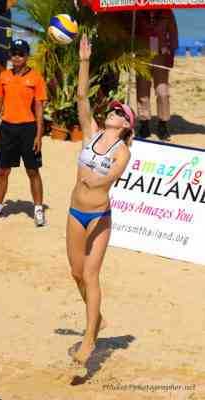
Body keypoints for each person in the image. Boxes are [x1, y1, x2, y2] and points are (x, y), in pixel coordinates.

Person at [66, 34, 135, 365]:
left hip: (98, 217)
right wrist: (83, 60)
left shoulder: (123, 150)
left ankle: (89, 339)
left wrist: (99, 178)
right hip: (74, 212)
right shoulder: (92, 132)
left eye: (121, 112)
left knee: (91, 276)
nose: (115, 111)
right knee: (76, 274)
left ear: (125, 126)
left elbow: (114, 176)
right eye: (115, 108)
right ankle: (98, 318)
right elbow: (81, 96)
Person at [0, 39, 47, 226]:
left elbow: (39, 107)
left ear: (27, 56)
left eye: (21, 53)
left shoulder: (36, 78)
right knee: (2, 171)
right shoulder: (4, 77)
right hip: (7, 129)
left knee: (33, 170)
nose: (17, 57)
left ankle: (39, 210)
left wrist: (39, 134)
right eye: (14, 53)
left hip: (28, 129)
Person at [135, 10, 178, 140]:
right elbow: (129, 31)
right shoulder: (137, 12)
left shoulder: (167, 13)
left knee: (162, 92)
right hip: (142, 54)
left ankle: (163, 124)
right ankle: (144, 124)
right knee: (142, 91)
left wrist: (171, 53)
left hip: (161, 54)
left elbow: (173, 33)